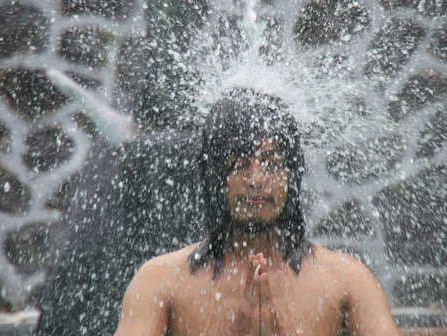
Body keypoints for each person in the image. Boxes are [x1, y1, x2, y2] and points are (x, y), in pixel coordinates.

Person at [114, 88, 401, 335]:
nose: (256, 179)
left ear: (292, 176)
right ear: (214, 177)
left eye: (272, 163)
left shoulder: (347, 282)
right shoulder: (161, 282)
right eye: (239, 164)